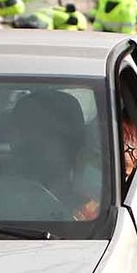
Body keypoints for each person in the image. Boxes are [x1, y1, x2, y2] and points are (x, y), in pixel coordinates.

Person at [9, 89, 101, 221]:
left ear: (73, 143)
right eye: (24, 131)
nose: (28, 142)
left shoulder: (98, 211)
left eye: (44, 134)